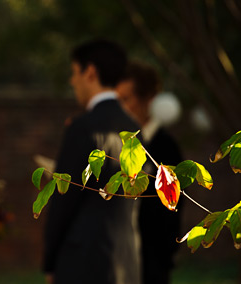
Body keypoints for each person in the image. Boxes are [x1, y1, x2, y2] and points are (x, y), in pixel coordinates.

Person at [43, 39, 142, 284]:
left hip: (83, 262)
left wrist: (50, 262)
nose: (72, 81)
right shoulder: (135, 129)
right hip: (128, 259)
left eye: (74, 72)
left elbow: (64, 199)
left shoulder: (83, 128)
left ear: (90, 72)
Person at [115, 61, 182, 284]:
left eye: (126, 99)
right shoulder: (116, 145)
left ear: (149, 100)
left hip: (150, 261)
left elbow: (171, 209)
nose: (120, 108)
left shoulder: (166, 148)